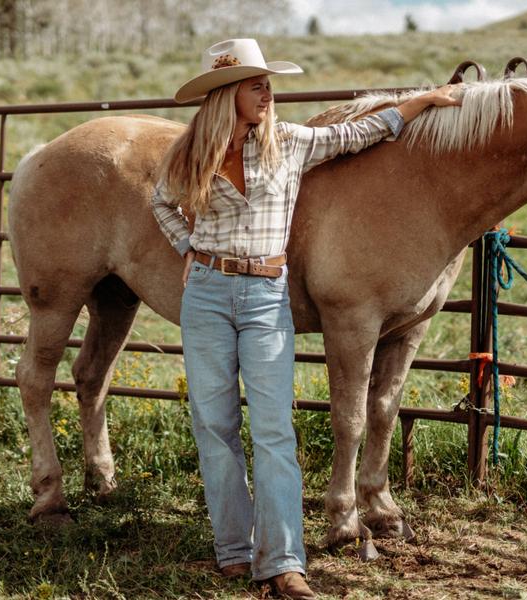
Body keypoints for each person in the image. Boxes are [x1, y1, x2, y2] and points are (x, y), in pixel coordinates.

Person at [152, 38, 460, 599]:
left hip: (266, 294)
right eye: (255, 85)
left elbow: (360, 133)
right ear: (226, 95)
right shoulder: (192, 149)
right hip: (206, 294)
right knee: (214, 426)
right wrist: (187, 248)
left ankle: (284, 561)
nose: (267, 94)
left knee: (274, 431)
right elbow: (160, 201)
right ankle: (234, 551)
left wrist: (422, 102)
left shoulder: (290, 143)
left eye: (268, 83)